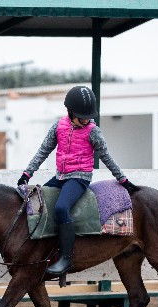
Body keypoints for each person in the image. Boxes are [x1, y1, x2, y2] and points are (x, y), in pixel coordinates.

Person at [17, 85, 138, 275]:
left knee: (61, 208)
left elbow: (106, 156)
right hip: (60, 176)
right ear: (70, 111)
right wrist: (27, 174)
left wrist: (122, 180)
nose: (87, 119)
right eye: (83, 116)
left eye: (88, 116)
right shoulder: (58, 127)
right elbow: (43, 151)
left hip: (79, 178)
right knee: (36, 203)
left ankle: (66, 258)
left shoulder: (93, 131)